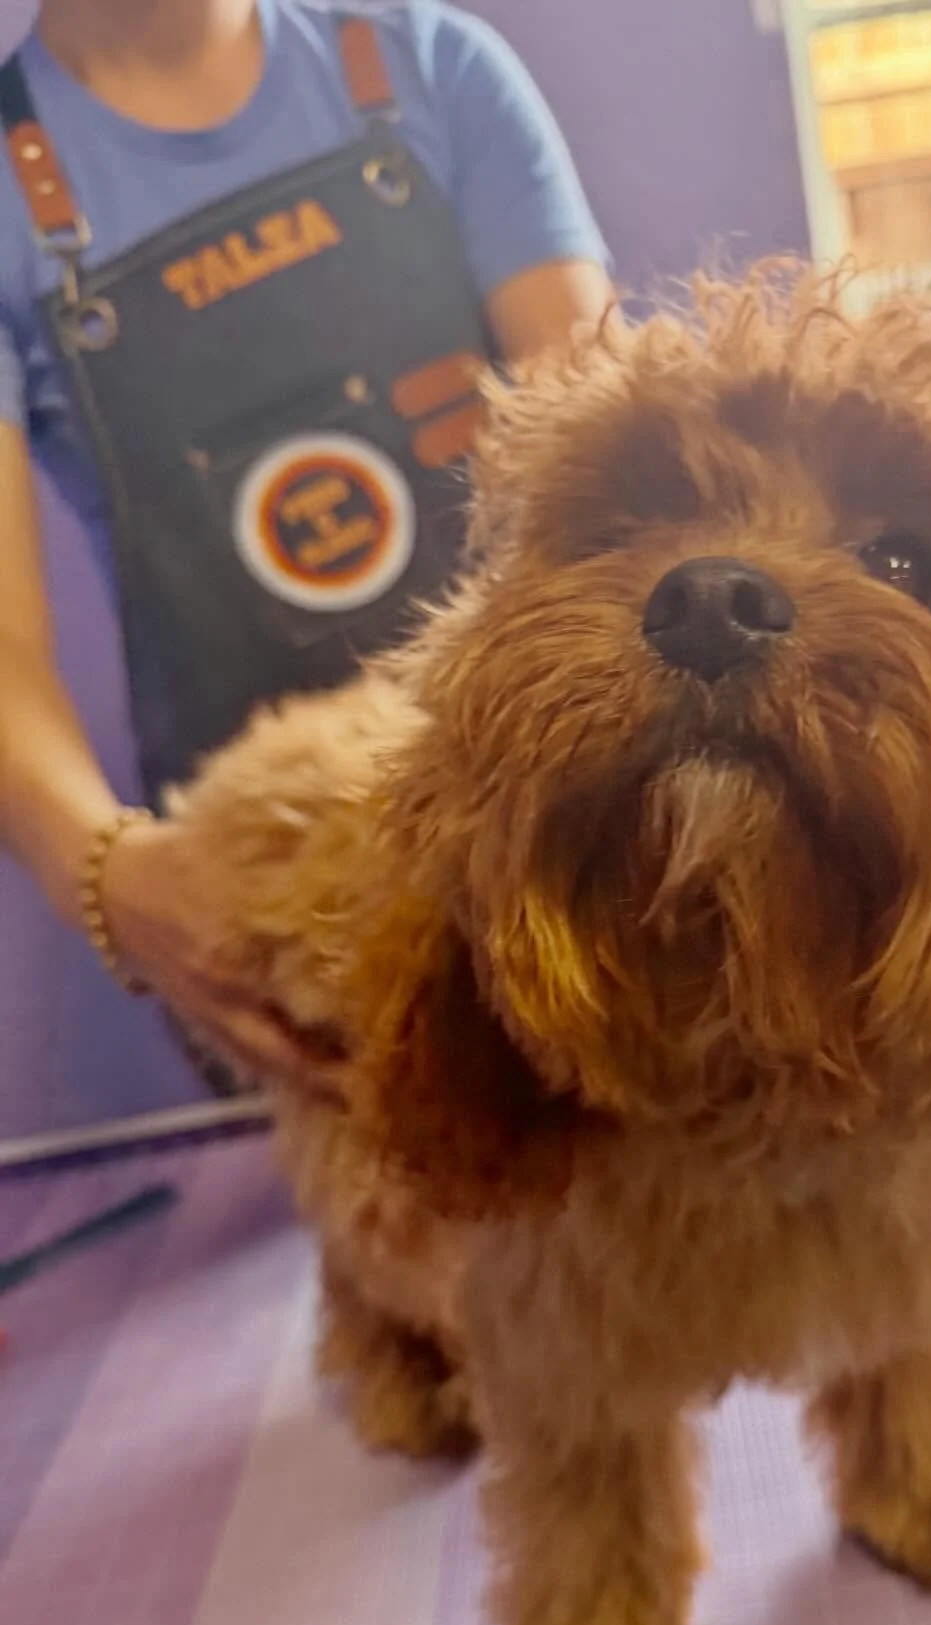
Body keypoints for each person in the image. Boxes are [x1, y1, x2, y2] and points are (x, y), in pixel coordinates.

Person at [0, 0, 612, 1093]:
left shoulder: (433, 67)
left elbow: (612, 485)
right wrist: (112, 877)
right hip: (275, 906)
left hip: (543, 833)